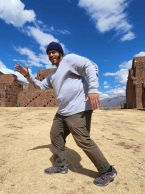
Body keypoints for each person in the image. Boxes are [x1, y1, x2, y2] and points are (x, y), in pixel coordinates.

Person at [14, 42, 117, 186]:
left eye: (54, 52)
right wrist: (28, 76)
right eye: (49, 53)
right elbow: (40, 86)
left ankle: (107, 170)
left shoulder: (70, 60)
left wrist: (93, 89)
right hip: (63, 111)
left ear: (60, 53)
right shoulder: (53, 75)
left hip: (78, 108)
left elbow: (90, 66)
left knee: (83, 140)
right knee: (55, 135)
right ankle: (60, 164)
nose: (51, 55)